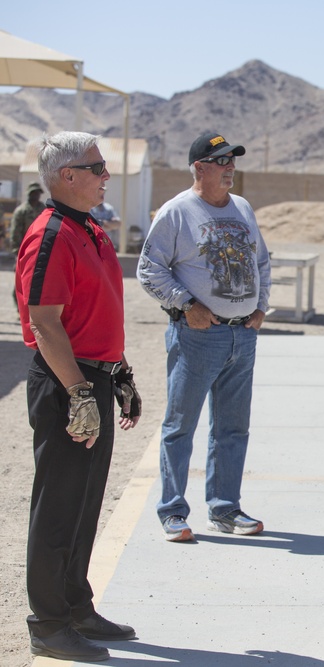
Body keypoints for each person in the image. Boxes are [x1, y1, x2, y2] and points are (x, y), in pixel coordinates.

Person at [15, 131, 142, 661]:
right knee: (59, 505)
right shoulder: (49, 234)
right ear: (66, 176)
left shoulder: (87, 227)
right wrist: (80, 394)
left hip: (93, 376)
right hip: (66, 380)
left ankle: (75, 605)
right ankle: (48, 623)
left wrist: (120, 374)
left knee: (85, 502)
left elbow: (95, 312)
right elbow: (44, 324)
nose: (105, 174)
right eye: (96, 167)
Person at [137, 131, 271, 543]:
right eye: (222, 161)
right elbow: (149, 269)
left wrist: (261, 306)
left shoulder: (243, 207)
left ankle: (225, 508)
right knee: (180, 425)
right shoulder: (177, 212)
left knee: (232, 428)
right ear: (200, 168)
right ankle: (173, 511)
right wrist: (184, 305)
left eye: (233, 160)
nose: (231, 167)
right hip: (198, 336)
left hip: (241, 337)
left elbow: (261, 261)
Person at [9, 182, 46, 250]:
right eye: (33, 192)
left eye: (37, 192)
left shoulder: (44, 210)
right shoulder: (21, 211)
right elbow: (15, 232)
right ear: (29, 193)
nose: (36, 195)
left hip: (41, 247)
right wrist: (17, 250)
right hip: (25, 247)